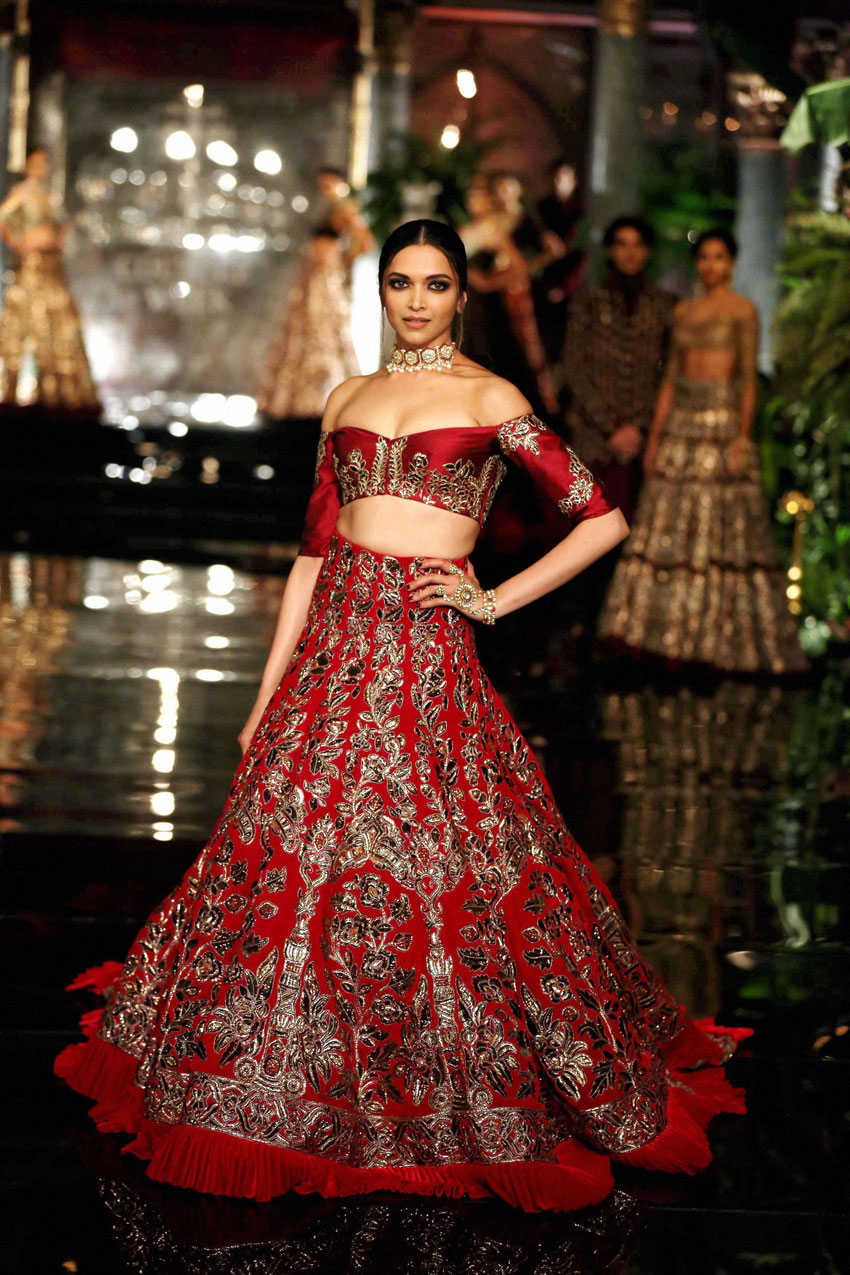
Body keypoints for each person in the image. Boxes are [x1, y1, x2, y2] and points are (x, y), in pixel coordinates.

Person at [56, 220, 748, 1213]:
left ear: (461, 294)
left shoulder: (490, 398)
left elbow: (603, 518)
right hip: (330, 657)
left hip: (425, 660)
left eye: (433, 284)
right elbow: (308, 557)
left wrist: (494, 600)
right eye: (399, 283)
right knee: (290, 868)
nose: (416, 300)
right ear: (379, 292)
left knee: (444, 872)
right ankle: (274, 1080)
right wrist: (262, 701)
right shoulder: (347, 397)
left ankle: (427, 1081)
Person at [598, 229, 808, 673]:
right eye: (705, 258)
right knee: (667, 525)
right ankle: (656, 636)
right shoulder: (685, 312)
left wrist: (741, 434)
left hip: (721, 419)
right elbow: (670, 376)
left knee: (719, 525)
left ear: (731, 263)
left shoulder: (743, 311)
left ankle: (711, 641)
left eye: (719, 257)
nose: (711, 265)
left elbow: (748, 378)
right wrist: (654, 437)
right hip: (681, 422)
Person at [563, 216, 675, 523]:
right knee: (590, 523)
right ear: (610, 250)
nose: (630, 252)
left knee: (642, 523)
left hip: (645, 436)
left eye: (637, 244)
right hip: (595, 434)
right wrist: (611, 426)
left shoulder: (665, 305)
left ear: (648, 251)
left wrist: (639, 426)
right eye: (622, 244)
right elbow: (573, 366)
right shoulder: (589, 301)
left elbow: (670, 371)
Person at [257, 167, 373, 419]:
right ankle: (299, 400)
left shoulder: (344, 208)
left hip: (326, 280)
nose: (325, 188)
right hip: (313, 278)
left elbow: (365, 242)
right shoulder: (326, 207)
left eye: (329, 183)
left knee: (325, 334)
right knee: (302, 332)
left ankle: (325, 398)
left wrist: (339, 261)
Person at [0, 149, 100, 411]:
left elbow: (63, 224)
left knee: (58, 326)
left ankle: (55, 390)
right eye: (36, 165)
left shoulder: (48, 196)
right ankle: (16, 390)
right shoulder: (22, 193)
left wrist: (55, 240)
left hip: (51, 269)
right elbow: (4, 217)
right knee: (27, 322)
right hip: (30, 270)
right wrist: (19, 242)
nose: (40, 170)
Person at [459, 175, 559, 417]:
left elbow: (519, 268)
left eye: (481, 195)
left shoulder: (496, 230)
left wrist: (487, 283)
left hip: (488, 307)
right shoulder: (465, 231)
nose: (476, 201)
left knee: (492, 360)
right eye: (472, 196)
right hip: (464, 305)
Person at [536, 160, 586, 363]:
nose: (561, 183)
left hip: (565, 283)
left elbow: (579, 253)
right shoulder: (543, 208)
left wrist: (565, 287)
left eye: (566, 178)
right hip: (541, 279)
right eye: (558, 178)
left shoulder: (578, 211)